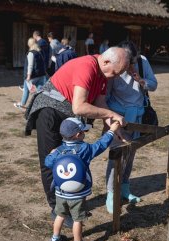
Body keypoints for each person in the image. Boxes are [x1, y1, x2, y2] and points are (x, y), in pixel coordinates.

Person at [25, 47, 130, 227]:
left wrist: (113, 126)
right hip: (50, 112)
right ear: (105, 62)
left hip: (67, 115)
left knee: (71, 159)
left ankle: (69, 202)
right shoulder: (87, 66)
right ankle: (58, 209)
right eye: (115, 72)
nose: (115, 77)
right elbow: (79, 107)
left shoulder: (103, 74)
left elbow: (100, 102)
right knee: (52, 161)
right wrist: (112, 113)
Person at [46, 117, 120, 241]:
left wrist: (51, 154)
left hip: (60, 192)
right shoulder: (84, 149)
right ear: (78, 134)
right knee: (77, 219)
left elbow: (48, 163)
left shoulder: (57, 151)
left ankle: (54, 238)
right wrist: (111, 131)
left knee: (60, 215)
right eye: (84, 131)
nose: (85, 133)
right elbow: (101, 145)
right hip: (78, 194)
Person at [105, 41, 158, 213]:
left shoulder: (142, 61)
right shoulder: (115, 65)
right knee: (117, 154)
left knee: (131, 152)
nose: (131, 65)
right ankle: (111, 193)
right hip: (118, 116)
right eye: (129, 62)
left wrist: (141, 81)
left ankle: (125, 187)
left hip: (138, 114)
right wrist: (109, 119)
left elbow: (154, 84)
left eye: (133, 61)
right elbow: (106, 95)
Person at [14, 38, 46, 110]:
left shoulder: (31, 53)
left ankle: (22, 105)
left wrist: (28, 76)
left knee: (26, 90)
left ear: (29, 44)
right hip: (41, 75)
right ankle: (40, 105)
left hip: (32, 76)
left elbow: (30, 66)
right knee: (39, 91)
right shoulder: (39, 52)